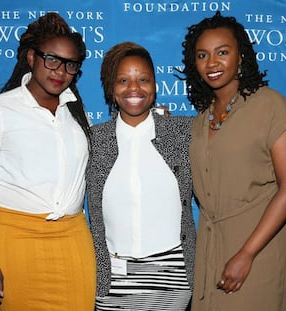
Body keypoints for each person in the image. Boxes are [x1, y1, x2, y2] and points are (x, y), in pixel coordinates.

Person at [0, 13, 96, 310]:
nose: (60, 70)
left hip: (73, 239)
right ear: (31, 57)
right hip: (15, 239)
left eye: (70, 64)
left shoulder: (78, 116)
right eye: (51, 59)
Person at [180, 12, 286, 311]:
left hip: (258, 247)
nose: (212, 63)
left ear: (241, 56)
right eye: (202, 55)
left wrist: (246, 254)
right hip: (211, 247)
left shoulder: (271, 105)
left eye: (222, 52)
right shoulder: (201, 119)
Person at [86, 42, 196, 311]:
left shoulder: (183, 132)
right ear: (111, 89)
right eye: (123, 80)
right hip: (113, 278)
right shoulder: (93, 140)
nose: (134, 88)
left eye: (143, 79)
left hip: (173, 276)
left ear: (155, 86)